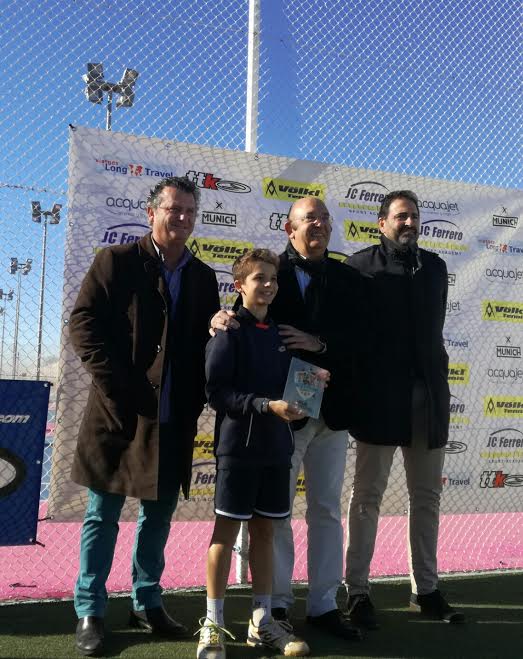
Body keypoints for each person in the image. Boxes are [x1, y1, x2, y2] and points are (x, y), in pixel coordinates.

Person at [69, 176, 220, 656]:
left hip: (175, 417)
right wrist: (117, 386)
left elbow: (203, 346)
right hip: (118, 414)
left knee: (158, 516)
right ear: (152, 211)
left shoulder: (201, 277)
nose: (182, 218)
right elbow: (83, 325)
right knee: (102, 514)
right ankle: (90, 609)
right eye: (173, 209)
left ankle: (146, 601)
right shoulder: (115, 261)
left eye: (189, 212)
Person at [211, 197, 363, 641]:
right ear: (289, 229)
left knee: (326, 509)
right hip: (282, 416)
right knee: (274, 516)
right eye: (308, 219)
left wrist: (320, 344)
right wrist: (219, 317)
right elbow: (244, 313)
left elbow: (363, 338)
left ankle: (323, 605)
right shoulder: (271, 275)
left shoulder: (349, 277)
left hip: (333, 412)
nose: (319, 225)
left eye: (324, 218)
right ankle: (273, 604)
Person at [344, 190, 465, 628]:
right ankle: (357, 592)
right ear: (381, 223)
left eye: (414, 216)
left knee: (427, 498)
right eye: (400, 217)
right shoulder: (359, 267)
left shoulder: (434, 267)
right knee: (367, 499)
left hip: (428, 400)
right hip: (379, 401)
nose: (408, 223)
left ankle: (426, 590)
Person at [198, 248, 310, 659]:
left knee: (266, 533)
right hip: (238, 452)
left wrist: (311, 384)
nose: (268, 285)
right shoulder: (227, 332)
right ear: (239, 285)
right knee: (224, 537)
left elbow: (288, 390)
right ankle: (213, 624)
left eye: (273, 279)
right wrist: (265, 406)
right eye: (259, 278)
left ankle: (261, 621)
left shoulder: (280, 335)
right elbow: (217, 393)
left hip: (276, 450)